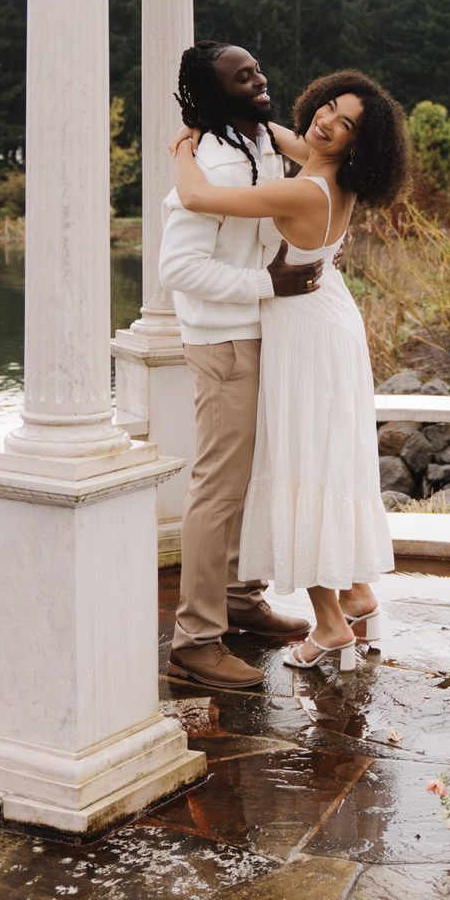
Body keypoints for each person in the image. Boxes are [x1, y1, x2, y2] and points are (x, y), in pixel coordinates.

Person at [173, 69, 408, 670]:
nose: (326, 121)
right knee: (328, 460)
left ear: (359, 145)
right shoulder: (333, 171)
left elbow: (198, 198)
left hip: (304, 328)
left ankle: (331, 623)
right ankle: (356, 593)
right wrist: (246, 119)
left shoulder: (307, 190)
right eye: (328, 106)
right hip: (326, 315)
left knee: (302, 464)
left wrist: (182, 146)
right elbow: (287, 137)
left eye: (344, 123)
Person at [159, 41, 319, 691]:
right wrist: (266, 284)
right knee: (217, 487)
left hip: (256, 335)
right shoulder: (215, 161)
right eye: (241, 76)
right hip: (224, 340)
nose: (259, 78)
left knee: (247, 479)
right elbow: (178, 268)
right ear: (214, 92)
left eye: (258, 68)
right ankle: (196, 638)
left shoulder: (257, 145)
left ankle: (238, 598)